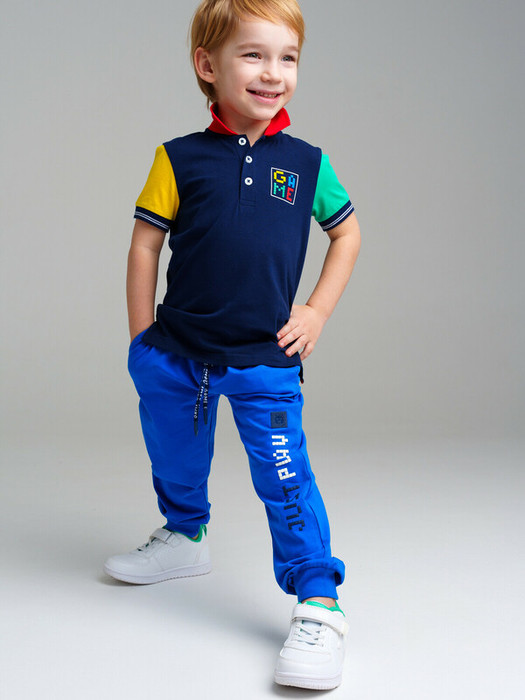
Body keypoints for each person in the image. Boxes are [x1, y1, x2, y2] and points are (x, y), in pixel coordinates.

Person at [104, 0, 361, 690]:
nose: (273, 73)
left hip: (263, 361)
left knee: (285, 479)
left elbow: (347, 233)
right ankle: (184, 535)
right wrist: (140, 340)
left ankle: (319, 602)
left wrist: (316, 310)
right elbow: (144, 246)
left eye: (287, 58)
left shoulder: (307, 164)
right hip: (175, 355)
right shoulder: (176, 158)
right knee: (174, 456)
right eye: (253, 55)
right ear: (207, 65)